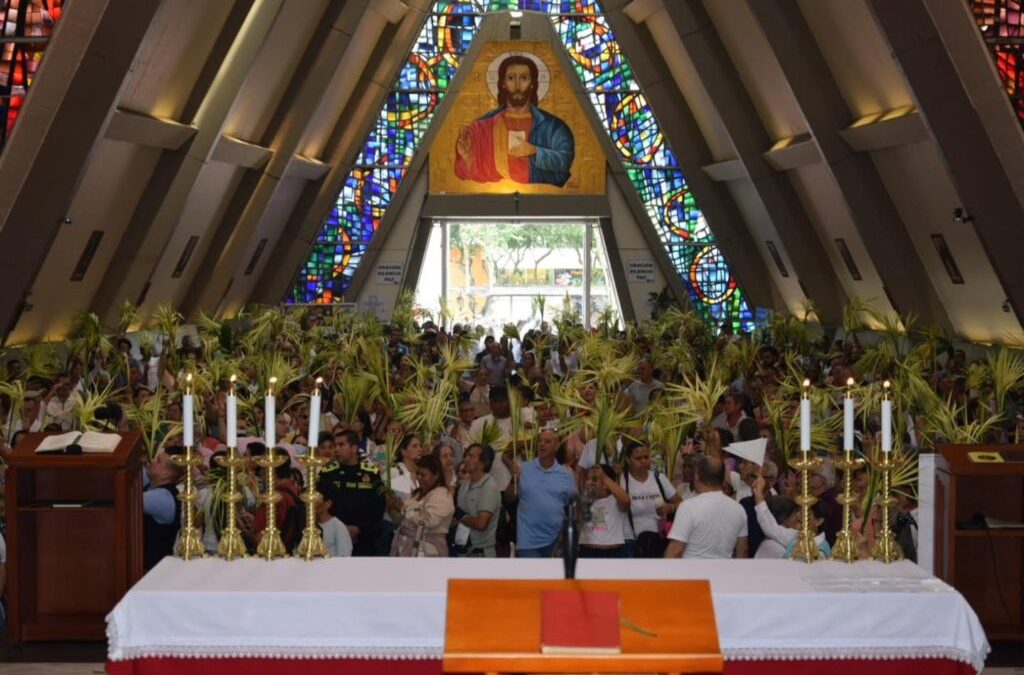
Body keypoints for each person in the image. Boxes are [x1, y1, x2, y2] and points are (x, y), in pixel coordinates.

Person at [455, 53, 574, 187]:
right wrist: (467, 158)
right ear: (503, 84)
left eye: (524, 78)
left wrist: (535, 151)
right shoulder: (481, 128)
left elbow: (565, 161)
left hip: (542, 196)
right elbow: (463, 174)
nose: (517, 86)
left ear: (532, 84)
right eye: (511, 78)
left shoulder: (553, 127)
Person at [502, 428, 577, 557]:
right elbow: (509, 498)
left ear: (557, 446)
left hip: (556, 540)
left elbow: (574, 507)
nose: (542, 444)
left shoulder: (566, 474)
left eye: (547, 442)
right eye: (540, 441)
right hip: (528, 541)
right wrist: (514, 479)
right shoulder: (523, 469)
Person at [664, 455, 747, 559]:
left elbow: (675, 552)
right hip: (724, 569)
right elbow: (743, 550)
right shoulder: (739, 509)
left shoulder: (688, 507)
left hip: (692, 569)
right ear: (722, 478)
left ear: (697, 476)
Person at [318, 430, 386, 556]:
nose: (336, 449)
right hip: (333, 538)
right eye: (335, 445)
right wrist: (341, 529)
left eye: (341, 445)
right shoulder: (327, 473)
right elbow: (321, 504)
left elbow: (378, 507)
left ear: (354, 448)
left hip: (365, 539)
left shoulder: (371, 474)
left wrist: (359, 529)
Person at [620, 442, 680, 557]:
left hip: (658, 540)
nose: (643, 461)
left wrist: (671, 507)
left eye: (646, 457)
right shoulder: (622, 480)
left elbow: (681, 503)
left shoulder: (659, 477)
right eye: (638, 458)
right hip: (631, 542)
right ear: (628, 460)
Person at [753, 475, 830, 559]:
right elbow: (770, 527)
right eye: (798, 511)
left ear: (818, 521)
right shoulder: (795, 535)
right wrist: (759, 495)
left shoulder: (821, 551)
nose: (798, 515)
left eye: (805, 513)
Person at [391, 454, 454, 557]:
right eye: (418, 474)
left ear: (436, 475)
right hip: (406, 545)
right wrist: (393, 506)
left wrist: (404, 509)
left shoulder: (442, 494)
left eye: (423, 475)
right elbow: (402, 519)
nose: (419, 478)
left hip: (427, 549)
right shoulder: (417, 493)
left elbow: (428, 521)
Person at [455, 443, 501, 557]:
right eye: (466, 455)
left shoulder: (489, 487)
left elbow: (481, 524)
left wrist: (459, 515)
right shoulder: (464, 485)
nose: (466, 459)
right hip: (462, 550)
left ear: (483, 462)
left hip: (480, 554)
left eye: (471, 456)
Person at [143, 449, 184, 570]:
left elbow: (128, 498)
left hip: (154, 568)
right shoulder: (153, 486)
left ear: (166, 474)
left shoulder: (163, 497)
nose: (152, 460)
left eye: (158, 461)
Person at [579, 465, 630, 558]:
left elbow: (626, 501)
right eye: (588, 479)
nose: (588, 482)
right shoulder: (583, 501)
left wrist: (604, 477)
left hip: (613, 553)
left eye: (594, 479)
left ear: (606, 484)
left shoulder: (616, 500)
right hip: (587, 552)